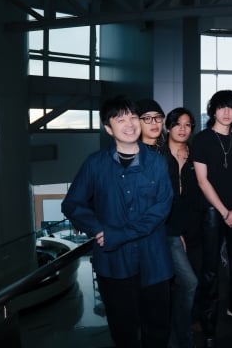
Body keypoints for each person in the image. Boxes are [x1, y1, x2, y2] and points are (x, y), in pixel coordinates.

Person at [62, 95, 173, 348]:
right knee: (123, 331)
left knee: (158, 329)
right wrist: (98, 229)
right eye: (120, 119)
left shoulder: (157, 162)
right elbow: (72, 204)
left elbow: (161, 209)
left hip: (154, 260)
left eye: (133, 117)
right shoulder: (95, 164)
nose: (130, 124)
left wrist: (117, 234)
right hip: (113, 263)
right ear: (109, 128)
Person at [192, 90, 232, 348]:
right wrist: (225, 212)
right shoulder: (202, 139)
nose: (227, 113)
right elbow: (202, 181)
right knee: (210, 271)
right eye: (221, 107)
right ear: (213, 110)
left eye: (231, 108)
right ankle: (208, 327)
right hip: (212, 213)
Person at [163, 107, 207, 348]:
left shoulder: (195, 155)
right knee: (186, 282)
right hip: (169, 230)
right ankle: (181, 337)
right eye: (178, 124)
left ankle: (185, 325)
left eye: (188, 124)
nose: (182, 129)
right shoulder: (158, 156)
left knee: (192, 281)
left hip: (195, 229)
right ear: (168, 126)